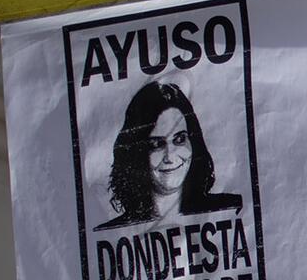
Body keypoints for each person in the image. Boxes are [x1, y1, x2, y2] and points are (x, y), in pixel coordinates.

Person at [96, 81, 243, 230]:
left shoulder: (234, 209)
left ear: (193, 141)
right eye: (156, 145)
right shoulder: (110, 232)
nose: (169, 156)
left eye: (179, 139)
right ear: (136, 153)